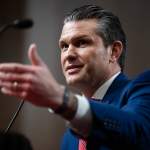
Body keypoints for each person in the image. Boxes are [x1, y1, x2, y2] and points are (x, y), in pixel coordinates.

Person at [0, 4, 150, 150]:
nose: (68, 55)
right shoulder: (70, 137)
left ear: (114, 51)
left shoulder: (143, 88)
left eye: (82, 42)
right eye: (64, 46)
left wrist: (60, 97)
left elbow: (139, 131)